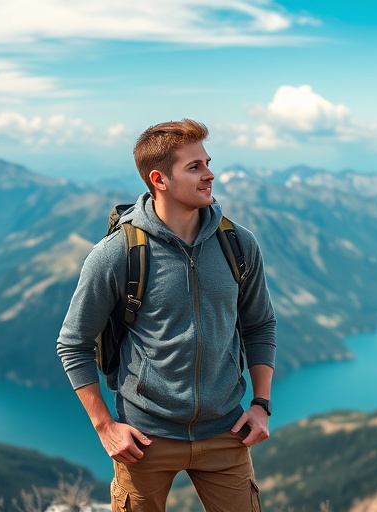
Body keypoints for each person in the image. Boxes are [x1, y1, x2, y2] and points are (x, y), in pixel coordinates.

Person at [56, 118, 277, 512]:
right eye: (195, 167)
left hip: (226, 432)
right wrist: (106, 427)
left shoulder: (239, 245)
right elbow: (73, 344)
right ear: (159, 179)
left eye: (207, 162)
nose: (210, 174)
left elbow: (259, 325)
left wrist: (261, 404)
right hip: (144, 440)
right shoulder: (115, 254)